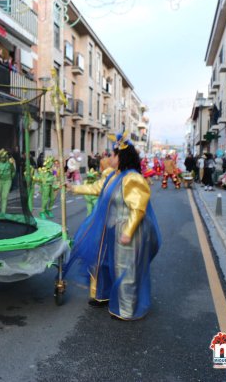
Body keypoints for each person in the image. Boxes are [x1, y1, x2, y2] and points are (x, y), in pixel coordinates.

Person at [65, 132, 161, 320]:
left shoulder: (132, 179)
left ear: (121, 157)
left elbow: (138, 209)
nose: (110, 157)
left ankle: (126, 309)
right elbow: (96, 188)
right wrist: (73, 188)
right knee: (105, 263)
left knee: (125, 268)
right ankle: (103, 295)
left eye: (113, 154)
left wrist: (128, 231)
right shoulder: (112, 176)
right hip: (110, 229)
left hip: (127, 231)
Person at [0, 149, 16, 214]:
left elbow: (13, 171)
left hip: (7, 180)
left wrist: (10, 178)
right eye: (1, 157)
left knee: (5, 196)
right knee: (1, 195)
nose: (3, 158)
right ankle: (2, 208)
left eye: (4, 157)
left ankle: (3, 212)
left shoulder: (10, 162)